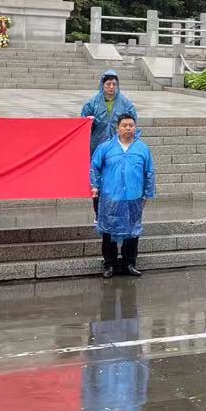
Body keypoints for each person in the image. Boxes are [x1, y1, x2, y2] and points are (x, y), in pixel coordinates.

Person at [90, 114, 156, 277]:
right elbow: (95, 167)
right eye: (124, 125)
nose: (128, 128)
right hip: (110, 197)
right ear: (117, 128)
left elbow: (149, 172)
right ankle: (109, 264)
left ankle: (129, 263)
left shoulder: (142, 149)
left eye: (131, 125)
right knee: (108, 231)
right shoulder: (106, 147)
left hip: (134, 196)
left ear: (135, 127)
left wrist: (147, 193)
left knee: (132, 231)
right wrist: (95, 186)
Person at [82, 70, 137, 223]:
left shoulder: (126, 104)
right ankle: (98, 213)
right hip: (97, 147)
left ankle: (117, 213)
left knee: (118, 179)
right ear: (102, 85)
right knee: (98, 181)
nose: (111, 87)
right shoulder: (92, 103)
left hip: (119, 148)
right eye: (108, 84)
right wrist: (88, 121)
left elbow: (133, 125)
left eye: (114, 84)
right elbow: (83, 125)